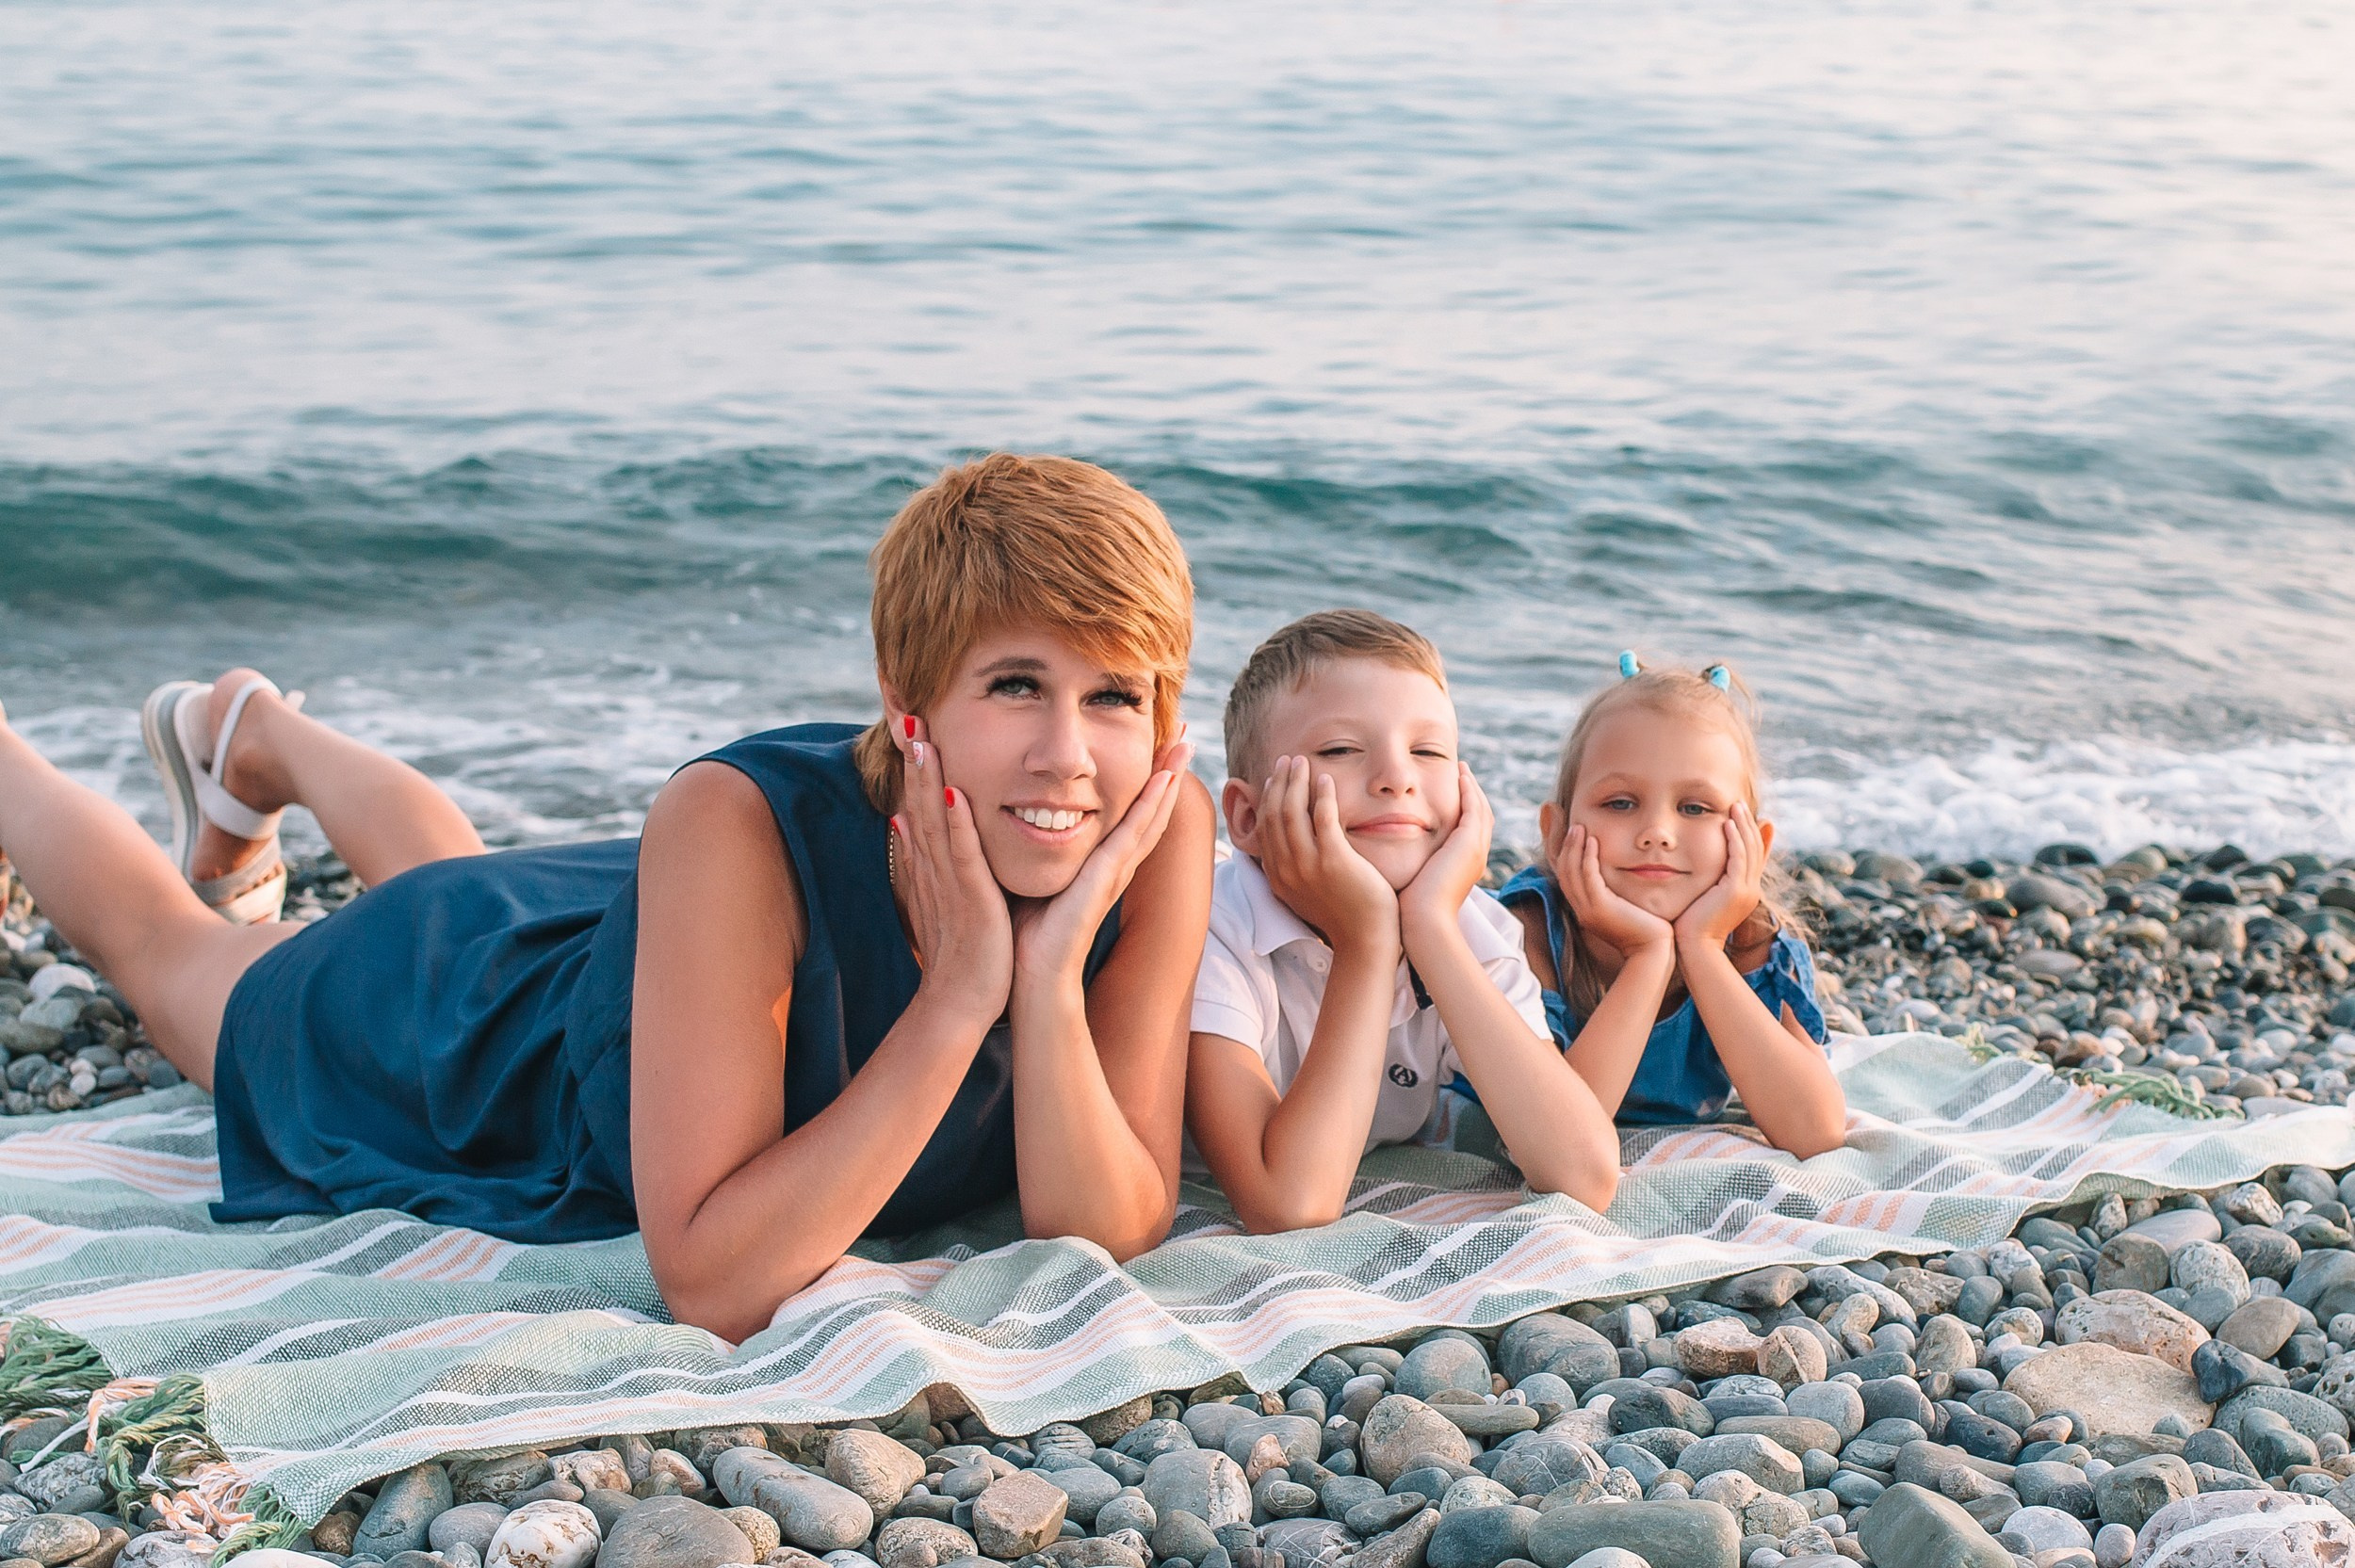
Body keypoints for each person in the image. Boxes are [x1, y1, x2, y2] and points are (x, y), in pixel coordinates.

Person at [0, 453, 1215, 1341]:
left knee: (464, 888)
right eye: (1016, 685)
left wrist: (1046, 982)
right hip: (485, 1060)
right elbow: (714, 1282)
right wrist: (958, 997)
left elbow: (1102, 1226)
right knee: (178, 959)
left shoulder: (1149, 823)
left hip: (628, 947)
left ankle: (258, 735)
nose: (1070, 753)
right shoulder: (735, 818)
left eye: (1116, 695)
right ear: (910, 705)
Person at [1183, 611, 1621, 1233]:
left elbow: (1585, 1173)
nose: (1397, 777)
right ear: (1250, 817)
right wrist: (1368, 940)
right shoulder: (1211, 928)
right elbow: (1289, 1202)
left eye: (1429, 750)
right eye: (1340, 750)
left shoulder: (1465, 926)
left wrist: (1432, 931)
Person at [1499, 653, 1845, 1156]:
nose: (1657, 833)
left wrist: (1702, 948)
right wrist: (1648, 956)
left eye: (1694, 808)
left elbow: (1816, 1131)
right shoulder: (1526, 933)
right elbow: (1562, 1140)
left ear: (1754, 843)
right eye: (1620, 803)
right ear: (1555, 835)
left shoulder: (1750, 941)